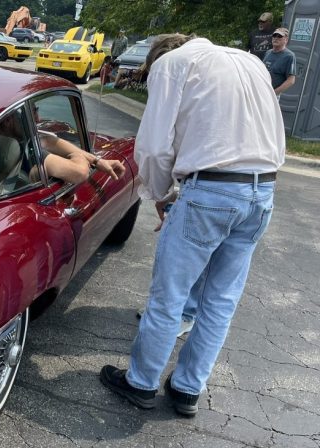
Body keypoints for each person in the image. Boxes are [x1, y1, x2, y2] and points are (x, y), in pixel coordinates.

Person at [99, 34, 284, 417]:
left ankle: (141, 382)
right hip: (262, 189)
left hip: (211, 191)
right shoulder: (250, 62)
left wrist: (161, 194)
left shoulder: (175, 64)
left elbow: (153, 146)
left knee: (170, 296)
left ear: (160, 57)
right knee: (220, 300)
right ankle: (187, 390)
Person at [263, 27, 296, 97]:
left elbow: (291, 80)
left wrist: (274, 93)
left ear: (286, 40)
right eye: (274, 36)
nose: (276, 38)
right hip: (261, 91)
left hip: (272, 95)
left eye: (279, 36)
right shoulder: (268, 52)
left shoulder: (289, 56)